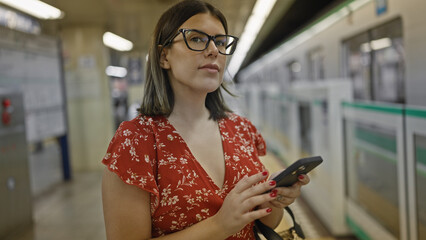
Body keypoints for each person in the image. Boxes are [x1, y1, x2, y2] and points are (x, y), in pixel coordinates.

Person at [101, 1, 310, 239]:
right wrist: (220, 226)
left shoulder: (240, 129)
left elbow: (265, 221)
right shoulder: (136, 142)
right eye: (197, 39)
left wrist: (275, 199)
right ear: (163, 57)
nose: (213, 51)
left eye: (220, 43)